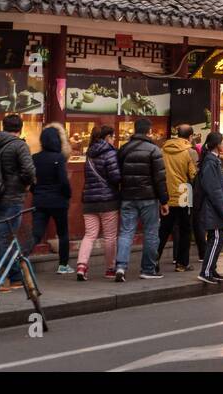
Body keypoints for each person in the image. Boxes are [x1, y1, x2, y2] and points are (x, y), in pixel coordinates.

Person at [0, 114, 37, 288]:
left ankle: (15, 276)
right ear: (19, 128)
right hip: (12, 197)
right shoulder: (19, 146)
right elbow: (28, 170)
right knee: (3, 238)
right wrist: (26, 184)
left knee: (8, 237)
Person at [114, 118, 169, 281]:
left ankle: (121, 268)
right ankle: (148, 269)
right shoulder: (154, 150)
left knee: (125, 232)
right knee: (151, 233)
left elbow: (118, 175)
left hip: (127, 197)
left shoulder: (123, 149)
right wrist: (164, 201)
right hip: (149, 198)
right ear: (149, 131)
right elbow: (160, 178)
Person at [77, 125, 121, 281]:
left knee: (89, 235)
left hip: (89, 200)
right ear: (107, 137)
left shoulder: (89, 154)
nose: (114, 139)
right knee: (110, 237)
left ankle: (81, 266)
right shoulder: (110, 153)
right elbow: (115, 177)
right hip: (108, 201)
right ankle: (110, 268)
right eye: (113, 136)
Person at [30, 124, 73, 274]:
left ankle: (21, 258)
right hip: (58, 201)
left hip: (40, 200)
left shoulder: (35, 157)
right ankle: (63, 265)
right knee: (63, 233)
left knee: (36, 233)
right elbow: (63, 181)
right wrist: (67, 195)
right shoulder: (59, 158)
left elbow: (31, 180)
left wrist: (36, 192)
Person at [158, 125, 198, 272]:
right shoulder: (190, 152)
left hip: (166, 194)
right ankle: (182, 263)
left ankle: (153, 261)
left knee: (163, 230)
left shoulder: (163, 150)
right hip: (184, 194)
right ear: (190, 137)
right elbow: (193, 175)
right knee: (185, 230)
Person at [196, 132, 223, 284]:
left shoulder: (212, 161)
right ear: (217, 145)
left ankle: (211, 269)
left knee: (218, 239)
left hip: (213, 207)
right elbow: (215, 191)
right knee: (216, 239)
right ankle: (206, 271)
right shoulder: (211, 162)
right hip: (212, 208)